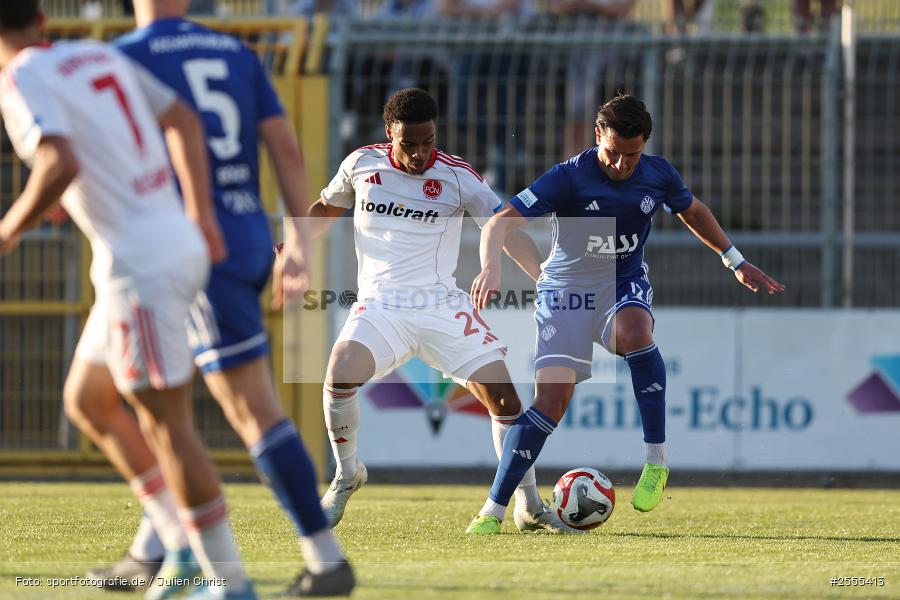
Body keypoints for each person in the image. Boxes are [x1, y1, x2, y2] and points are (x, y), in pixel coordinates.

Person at [77, 0, 355, 597]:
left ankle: (321, 561)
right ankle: (160, 549)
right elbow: (282, 146)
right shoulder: (234, 52)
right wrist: (299, 242)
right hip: (232, 235)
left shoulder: (122, 58)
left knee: (239, 408)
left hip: (187, 245)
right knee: (95, 394)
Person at [0, 2, 260, 598]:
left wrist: (9, 230)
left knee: (167, 424)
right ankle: (177, 541)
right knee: (89, 400)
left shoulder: (20, 78)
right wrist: (199, 217)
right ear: (42, 19)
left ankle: (230, 579)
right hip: (156, 247)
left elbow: (57, 161)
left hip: (141, 265)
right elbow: (185, 121)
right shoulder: (95, 53)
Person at [466, 94, 785, 532]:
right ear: (598, 136)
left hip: (621, 283)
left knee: (636, 332)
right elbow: (501, 220)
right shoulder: (569, 177)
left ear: (645, 146)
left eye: (631, 155)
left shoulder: (657, 174)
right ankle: (494, 510)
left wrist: (735, 260)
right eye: (613, 153)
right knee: (550, 403)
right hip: (566, 291)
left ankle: (655, 460)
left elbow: (691, 210)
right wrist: (490, 265)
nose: (620, 165)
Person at [277, 87, 575, 535]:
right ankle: (346, 474)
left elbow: (505, 227)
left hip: (441, 307)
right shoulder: (361, 164)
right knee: (339, 373)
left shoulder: (459, 178)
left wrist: (544, 281)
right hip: (380, 306)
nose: (419, 154)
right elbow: (326, 207)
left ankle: (528, 504)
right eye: (409, 144)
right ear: (388, 134)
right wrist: (294, 246)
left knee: (507, 401)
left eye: (428, 142)